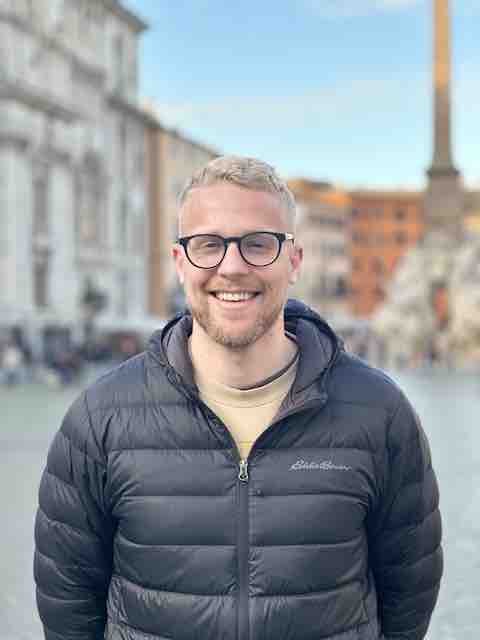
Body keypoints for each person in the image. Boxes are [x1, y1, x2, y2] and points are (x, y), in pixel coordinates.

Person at [34, 156, 443, 640]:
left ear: (293, 261)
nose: (232, 266)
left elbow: (409, 594)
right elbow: (68, 606)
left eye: (257, 244)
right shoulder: (98, 419)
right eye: (208, 244)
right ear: (180, 263)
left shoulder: (379, 413)